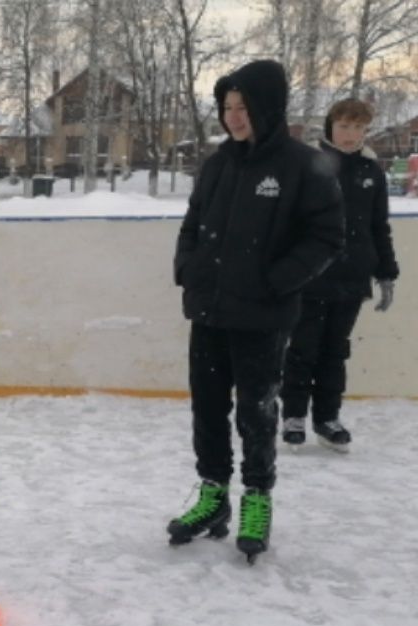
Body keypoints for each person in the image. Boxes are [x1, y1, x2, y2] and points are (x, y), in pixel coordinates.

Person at [167, 60, 344, 563]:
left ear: (267, 108)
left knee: (257, 412)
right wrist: (188, 268)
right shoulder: (218, 164)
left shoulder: (300, 164)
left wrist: (277, 281)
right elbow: (193, 223)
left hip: (263, 317)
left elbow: (327, 236)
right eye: (227, 107)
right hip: (209, 311)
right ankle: (213, 495)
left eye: (243, 107)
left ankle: (258, 498)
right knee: (207, 408)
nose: (234, 117)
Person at [280, 98, 400, 452]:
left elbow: (379, 227)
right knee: (303, 349)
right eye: (345, 126)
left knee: (335, 352)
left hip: (352, 279)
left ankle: (327, 419)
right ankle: (294, 417)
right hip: (310, 277)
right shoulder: (309, 165)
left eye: (359, 128)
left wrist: (386, 274)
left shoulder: (371, 171)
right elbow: (286, 223)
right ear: (331, 125)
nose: (351, 135)